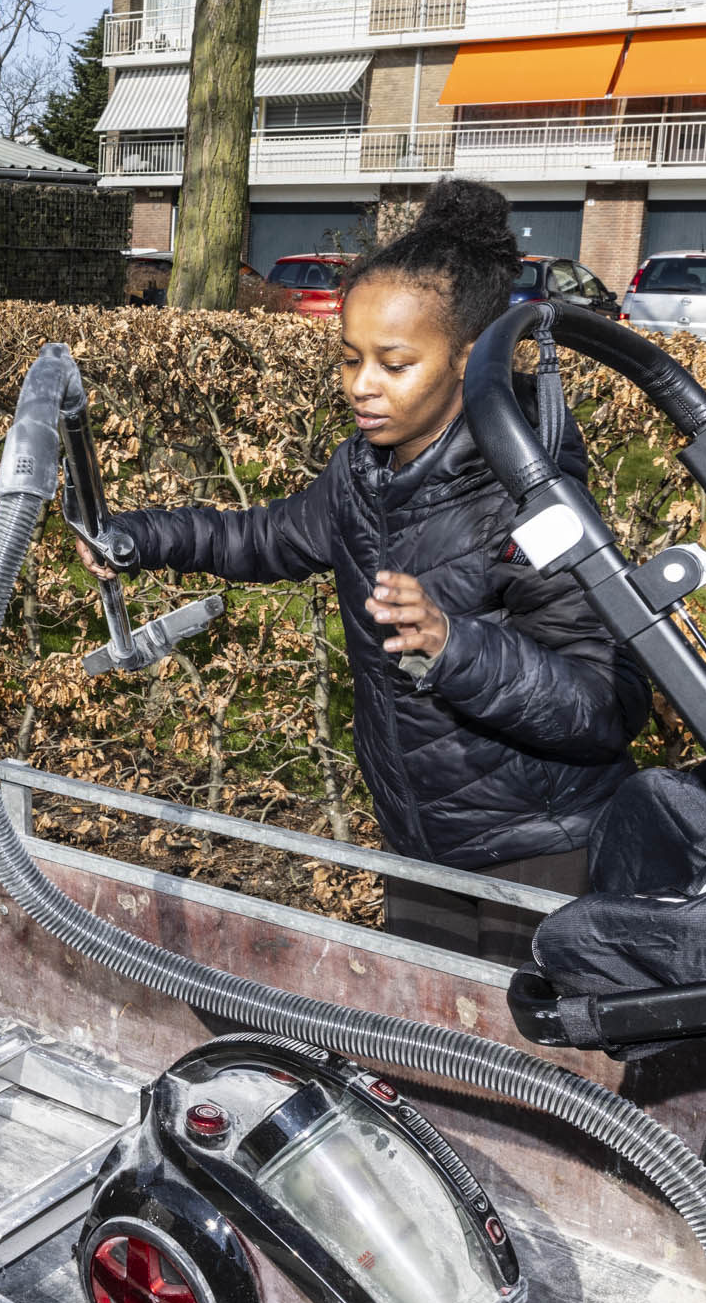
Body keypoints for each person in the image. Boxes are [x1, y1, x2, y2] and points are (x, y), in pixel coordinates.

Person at [79, 179, 650, 968]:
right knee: (416, 1032)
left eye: (394, 363)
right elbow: (264, 537)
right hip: (420, 839)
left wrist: (454, 647)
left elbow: (606, 701)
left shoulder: (531, 498)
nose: (360, 384)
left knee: (519, 1045)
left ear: (469, 359)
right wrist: (136, 538)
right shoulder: (364, 475)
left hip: (540, 850)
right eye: (350, 358)